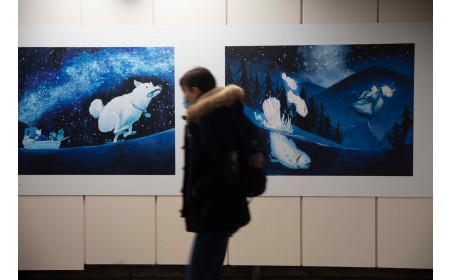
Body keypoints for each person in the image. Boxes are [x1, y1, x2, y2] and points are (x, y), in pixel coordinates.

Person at [180, 66, 251, 280]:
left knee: (199, 275)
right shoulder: (223, 114)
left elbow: (227, 165)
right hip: (221, 208)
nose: (184, 98)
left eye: (185, 92)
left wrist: (198, 190)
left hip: (215, 209)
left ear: (195, 90)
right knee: (209, 272)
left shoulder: (212, 118)